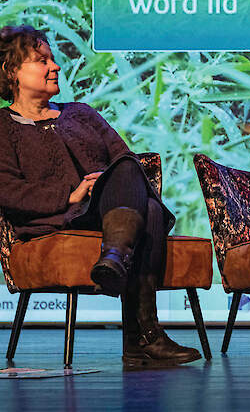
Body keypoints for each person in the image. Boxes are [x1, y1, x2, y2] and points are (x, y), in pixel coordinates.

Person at [0, 25, 201, 367]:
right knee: (150, 212)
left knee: (127, 169)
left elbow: (124, 160)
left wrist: (104, 182)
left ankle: (114, 258)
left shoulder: (81, 113)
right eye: (42, 60)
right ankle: (144, 339)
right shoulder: (3, 126)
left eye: (54, 59)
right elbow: (7, 190)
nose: (56, 66)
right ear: (11, 71)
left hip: (107, 213)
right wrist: (71, 193)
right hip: (58, 220)